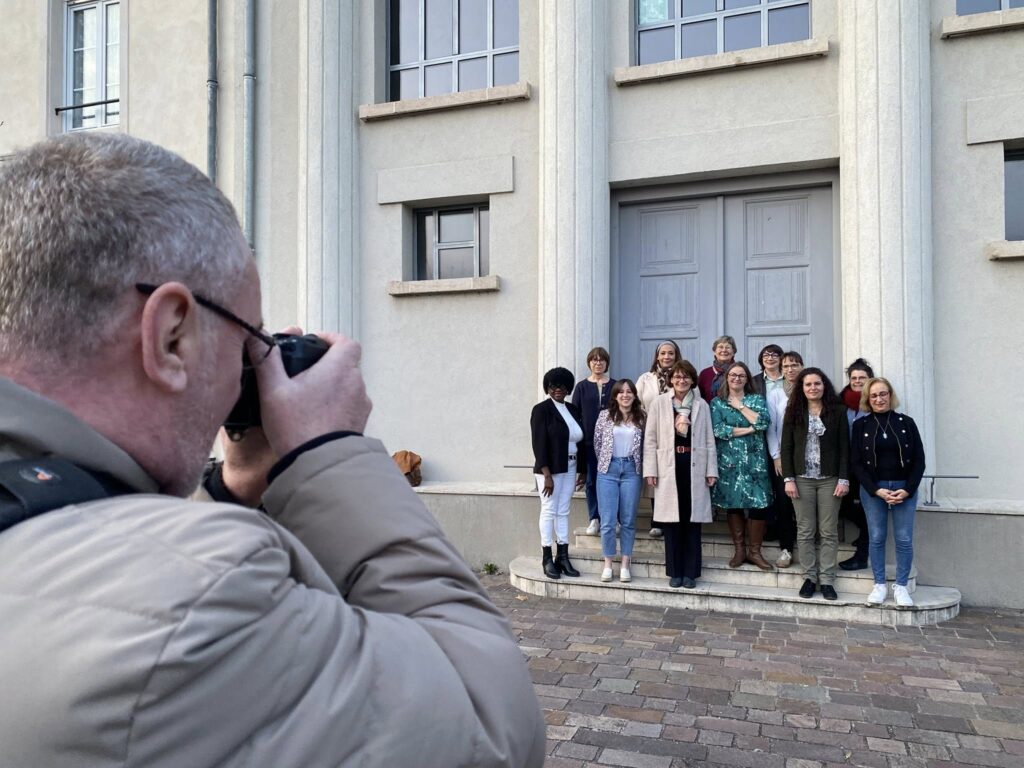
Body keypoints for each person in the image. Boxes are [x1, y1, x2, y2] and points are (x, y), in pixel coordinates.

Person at [0, 134, 545, 768]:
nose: (250, 373)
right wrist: (330, 453)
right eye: (247, 340)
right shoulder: (203, 595)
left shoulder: (50, 520)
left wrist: (230, 490)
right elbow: (492, 724)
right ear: (172, 336)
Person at [850, 378, 926, 608]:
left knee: (904, 538)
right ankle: (879, 584)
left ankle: (901, 586)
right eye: (874, 395)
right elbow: (856, 463)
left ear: (890, 395)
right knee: (876, 537)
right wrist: (876, 490)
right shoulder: (861, 425)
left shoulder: (907, 423)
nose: (879, 399)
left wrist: (908, 489)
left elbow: (919, 460)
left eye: (883, 394)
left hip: (904, 488)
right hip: (874, 490)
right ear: (868, 399)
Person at [643, 361, 718, 589]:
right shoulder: (660, 403)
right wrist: (650, 470)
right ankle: (675, 572)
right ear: (671, 380)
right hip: (668, 465)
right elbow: (650, 438)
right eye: (677, 377)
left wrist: (711, 470)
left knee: (692, 521)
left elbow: (709, 439)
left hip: (694, 465)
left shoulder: (701, 405)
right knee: (672, 521)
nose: (681, 380)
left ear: (692, 380)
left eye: (686, 377)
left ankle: (691, 573)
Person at [780, 368, 850, 601]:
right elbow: (786, 447)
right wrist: (788, 479)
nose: (813, 388)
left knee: (828, 531)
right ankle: (809, 577)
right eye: (808, 384)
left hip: (830, 479)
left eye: (817, 383)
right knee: (805, 530)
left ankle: (827, 580)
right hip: (802, 479)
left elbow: (845, 448)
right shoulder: (793, 411)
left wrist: (843, 478)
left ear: (824, 385)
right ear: (802, 388)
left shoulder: (838, 411)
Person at [710, 362, 774, 571]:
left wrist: (740, 407)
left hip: (755, 461)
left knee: (759, 504)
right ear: (727, 378)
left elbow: (763, 422)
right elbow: (719, 430)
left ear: (747, 379)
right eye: (733, 375)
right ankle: (739, 550)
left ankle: (755, 552)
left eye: (741, 375)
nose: (737, 378)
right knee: (733, 503)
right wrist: (749, 429)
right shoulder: (717, 403)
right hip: (729, 462)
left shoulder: (756, 399)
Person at [530, 366, 586, 581]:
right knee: (549, 510)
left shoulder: (572, 409)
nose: (558, 389)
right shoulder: (541, 410)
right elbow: (538, 443)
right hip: (549, 470)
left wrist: (582, 470)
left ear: (568, 387)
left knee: (563, 511)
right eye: (553, 386)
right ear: (547, 388)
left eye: (562, 386)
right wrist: (546, 475)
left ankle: (563, 556)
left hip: (570, 466)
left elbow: (580, 441)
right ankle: (547, 558)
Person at [593, 379, 644, 583]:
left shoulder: (642, 417)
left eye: (629, 391)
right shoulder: (604, 416)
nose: (625, 395)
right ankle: (608, 563)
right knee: (607, 521)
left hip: (631, 470)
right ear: (615, 395)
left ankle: (625, 563)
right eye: (621, 392)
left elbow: (646, 445)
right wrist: (607, 462)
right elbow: (597, 443)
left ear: (634, 395)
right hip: (608, 470)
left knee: (628, 520)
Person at [636, 340, 682, 538]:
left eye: (670, 353)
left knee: (674, 475)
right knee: (656, 475)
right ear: (657, 356)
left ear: (676, 355)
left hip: (677, 434)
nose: (666, 357)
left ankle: (675, 520)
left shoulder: (683, 377)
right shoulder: (645, 379)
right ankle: (657, 521)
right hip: (652, 432)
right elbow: (636, 404)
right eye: (662, 353)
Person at [571, 347, 615, 536]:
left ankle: (613, 518)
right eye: (594, 360)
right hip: (588, 443)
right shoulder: (581, 387)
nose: (598, 363)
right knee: (591, 481)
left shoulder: (614, 385)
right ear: (589, 363)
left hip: (612, 442)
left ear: (607, 363)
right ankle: (594, 518)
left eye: (601, 360)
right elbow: (575, 414)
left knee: (611, 481)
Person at [766, 351, 804, 568]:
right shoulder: (776, 394)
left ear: (802, 366)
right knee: (784, 504)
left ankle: (808, 547)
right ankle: (786, 548)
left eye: (795, 365)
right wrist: (776, 456)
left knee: (806, 502)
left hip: (807, 457)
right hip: (783, 457)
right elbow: (771, 428)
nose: (790, 369)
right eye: (786, 366)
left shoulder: (810, 388)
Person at [837, 358, 874, 571]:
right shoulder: (841, 402)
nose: (858, 381)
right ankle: (865, 531)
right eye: (854, 378)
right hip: (846, 463)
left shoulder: (876, 400)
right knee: (843, 504)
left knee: (870, 508)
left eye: (862, 378)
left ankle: (861, 556)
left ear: (870, 379)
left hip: (869, 466)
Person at [698, 335, 737, 405]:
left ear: (733, 352)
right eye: (720, 347)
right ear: (714, 351)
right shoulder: (705, 374)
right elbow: (699, 399)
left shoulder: (740, 372)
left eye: (727, 347)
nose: (724, 350)